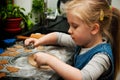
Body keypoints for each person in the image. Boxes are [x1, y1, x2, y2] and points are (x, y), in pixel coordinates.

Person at [24, 0, 120, 80]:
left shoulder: (102, 57)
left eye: (75, 26)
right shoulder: (84, 42)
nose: (69, 30)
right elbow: (58, 37)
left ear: (94, 29)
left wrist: (49, 59)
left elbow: (81, 77)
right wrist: (39, 41)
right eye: (69, 25)